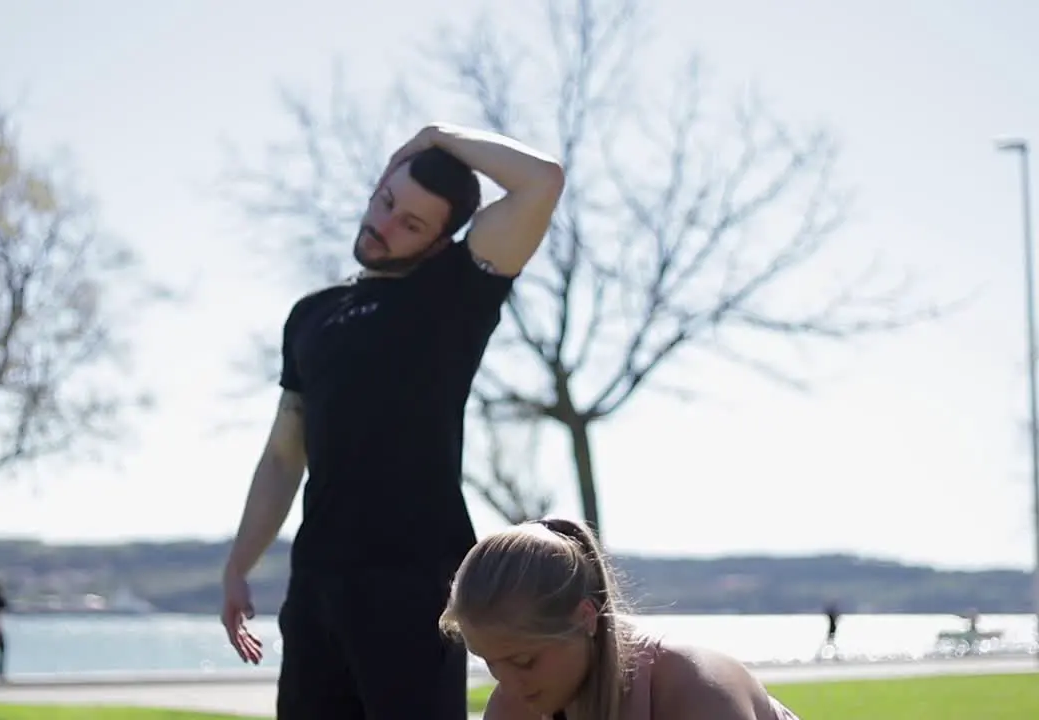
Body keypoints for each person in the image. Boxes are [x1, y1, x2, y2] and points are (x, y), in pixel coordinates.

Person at [219, 122, 565, 720]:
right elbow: (282, 456)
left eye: (411, 224)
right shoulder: (311, 316)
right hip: (317, 585)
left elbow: (541, 181)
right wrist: (237, 567)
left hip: (415, 586)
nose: (383, 225)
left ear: (438, 242)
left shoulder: (456, 290)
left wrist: (434, 137)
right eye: (386, 203)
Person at [442, 518, 803, 720]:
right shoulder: (515, 706)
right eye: (492, 664)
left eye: (525, 661)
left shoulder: (694, 688)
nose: (511, 684)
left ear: (585, 618)